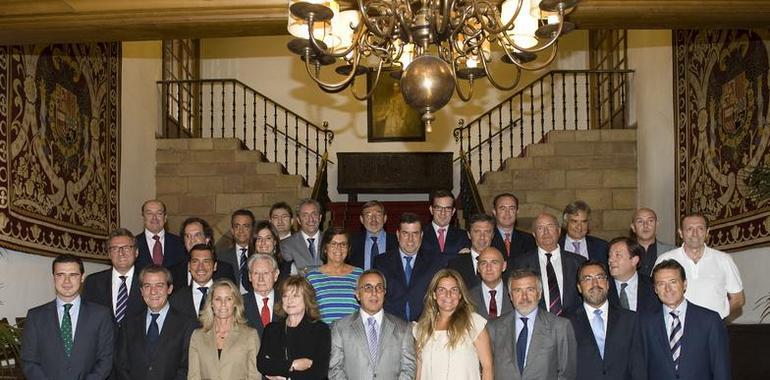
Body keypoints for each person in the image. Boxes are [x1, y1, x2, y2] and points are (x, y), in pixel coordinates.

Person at [21, 254, 115, 379]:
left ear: (82, 278)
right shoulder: (35, 317)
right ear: (53, 278)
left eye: (73, 275)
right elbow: (29, 361)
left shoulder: (101, 315)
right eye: (60, 275)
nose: (66, 281)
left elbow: (105, 359)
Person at [640, 259, 730, 380]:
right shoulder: (645, 323)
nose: (667, 289)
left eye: (673, 282)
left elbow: (721, 368)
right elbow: (641, 368)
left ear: (685, 284)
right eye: (661, 284)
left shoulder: (710, 320)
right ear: (655, 289)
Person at [487, 269, 577, 380]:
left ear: (539, 294)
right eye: (518, 291)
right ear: (510, 296)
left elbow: (567, 375)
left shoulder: (560, 327)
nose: (524, 297)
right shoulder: (494, 327)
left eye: (530, 290)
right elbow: (487, 369)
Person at [329, 269, 417, 380]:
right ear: (357, 294)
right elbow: (335, 368)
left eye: (379, 288)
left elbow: (409, 367)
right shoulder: (340, 328)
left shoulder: (403, 328)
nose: (374, 293)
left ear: (384, 293)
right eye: (368, 288)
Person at [655, 213, 744, 319]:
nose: (695, 233)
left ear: (707, 232)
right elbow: (656, 295)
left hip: (713, 329)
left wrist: (718, 319)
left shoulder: (723, 259)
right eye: (689, 229)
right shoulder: (665, 259)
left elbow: (738, 299)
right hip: (676, 329)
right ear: (680, 233)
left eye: (700, 228)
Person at [115, 265, 197, 380]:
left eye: (159, 285)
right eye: (147, 286)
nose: (153, 292)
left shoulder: (188, 325)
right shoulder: (128, 324)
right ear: (142, 291)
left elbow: (187, 367)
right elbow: (121, 365)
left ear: (170, 289)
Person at [568, 260, 646, 380]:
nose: (595, 284)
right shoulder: (565, 322)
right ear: (579, 287)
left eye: (600, 277)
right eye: (588, 279)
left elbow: (638, 366)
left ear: (608, 284)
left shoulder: (630, 320)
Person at [413, 269, 493, 380]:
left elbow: (487, 367)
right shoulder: (421, 329)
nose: (448, 294)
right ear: (434, 295)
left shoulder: (474, 323)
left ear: (460, 295)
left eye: (454, 290)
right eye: (442, 290)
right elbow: (419, 372)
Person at [258, 276, 331, 379]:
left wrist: (284, 375)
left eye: (295, 296)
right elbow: (262, 364)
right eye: (285, 296)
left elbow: (319, 372)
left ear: (306, 299)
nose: (289, 301)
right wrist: (292, 365)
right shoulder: (271, 329)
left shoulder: (320, 330)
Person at [374, 212, 443, 322]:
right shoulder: (382, 262)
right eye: (405, 233)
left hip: (426, 326)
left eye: (415, 233)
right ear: (398, 235)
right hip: (392, 327)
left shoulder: (435, 262)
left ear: (421, 236)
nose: (410, 239)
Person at [514, 212, 586, 316]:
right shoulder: (521, 263)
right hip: (537, 326)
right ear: (534, 234)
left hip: (573, 325)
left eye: (550, 226)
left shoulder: (578, 262)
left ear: (559, 231)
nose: (546, 232)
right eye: (540, 228)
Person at [188, 279, 261, 380]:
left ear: (235, 303)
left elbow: (254, 376)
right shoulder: (198, 336)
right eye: (218, 299)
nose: (223, 304)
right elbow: (193, 376)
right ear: (211, 303)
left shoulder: (250, 335)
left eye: (228, 299)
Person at [82, 228, 146, 325]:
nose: (121, 253)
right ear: (109, 254)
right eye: (115, 249)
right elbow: (86, 319)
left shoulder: (148, 281)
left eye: (126, 248)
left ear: (136, 252)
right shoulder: (92, 282)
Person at [306, 227, 364, 324]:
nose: (339, 248)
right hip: (324, 335)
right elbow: (308, 312)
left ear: (348, 248)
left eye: (343, 244)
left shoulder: (360, 274)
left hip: (353, 335)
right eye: (333, 244)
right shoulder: (312, 277)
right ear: (325, 248)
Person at [170, 217, 235, 291]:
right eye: (188, 236)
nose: (192, 240)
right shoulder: (174, 272)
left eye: (197, 235)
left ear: (207, 239)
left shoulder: (224, 270)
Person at [606, 237, 661, 314]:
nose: (611, 260)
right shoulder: (603, 288)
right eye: (610, 255)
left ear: (634, 260)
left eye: (617, 255)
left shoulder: (652, 286)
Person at [447, 213, 496, 289]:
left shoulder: (500, 262)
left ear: (492, 235)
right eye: (477, 232)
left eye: (487, 232)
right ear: (469, 235)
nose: (482, 237)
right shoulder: (454, 265)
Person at [135, 200, 186, 270]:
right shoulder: (133, 243)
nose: (154, 218)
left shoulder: (180, 243)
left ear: (165, 218)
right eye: (149, 213)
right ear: (143, 218)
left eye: (159, 213)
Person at [169, 243, 217, 318]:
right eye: (195, 261)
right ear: (189, 266)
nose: (200, 267)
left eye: (206, 262)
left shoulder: (228, 296)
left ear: (215, 266)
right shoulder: (176, 299)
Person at [420, 190, 470, 260]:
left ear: (453, 212)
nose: (443, 212)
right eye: (438, 208)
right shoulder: (420, 234)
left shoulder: (463, 236)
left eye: (448, 208)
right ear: (431, 210)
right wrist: (456, 255)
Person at [349, 200, 398, 270]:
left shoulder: (397, 242)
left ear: (385, 218)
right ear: (362, 219)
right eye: (368, 215)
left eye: (378, 215)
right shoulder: (352, 242)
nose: (373, 219)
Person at [243, 253, 283, 337]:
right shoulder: (240, 303)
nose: (261, 279)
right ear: (250, 276)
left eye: (265, 273)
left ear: (275, 275)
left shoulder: (286, 301)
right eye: (256, 273)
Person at [281, 198, 324, 273]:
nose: (311, 219)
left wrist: (304, 270)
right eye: (305, 215)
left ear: (320, 218)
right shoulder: (286, 244)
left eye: (314, 214)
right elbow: (289, 273)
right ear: (298, 220)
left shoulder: (331, 240)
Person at [218, 209, 256, 293]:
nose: (241, 231)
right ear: (232, 230)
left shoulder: (259, 255)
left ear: (252, 229)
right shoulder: (221, 257)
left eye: (246, 226)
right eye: (237, 226)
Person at [469, 247, 512, 319]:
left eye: (494, 262)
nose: (488, 268)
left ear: (504, 266)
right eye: (483, 263)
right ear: (478, 268)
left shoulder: (515, 293)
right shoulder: (468, 297)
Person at [629, 208, 675, 277]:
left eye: (650, 221)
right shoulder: (624, 252)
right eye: (640, 221)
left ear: (656, 225)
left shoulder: (672, 251)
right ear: (633, 227)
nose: (645, 225)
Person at [490, 193, 536, 259]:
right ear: (494, 212)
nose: (507, 213)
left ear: (517, 212)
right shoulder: (487, 237)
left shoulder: (528, 239)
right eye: (502, 208)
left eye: (511, 208)